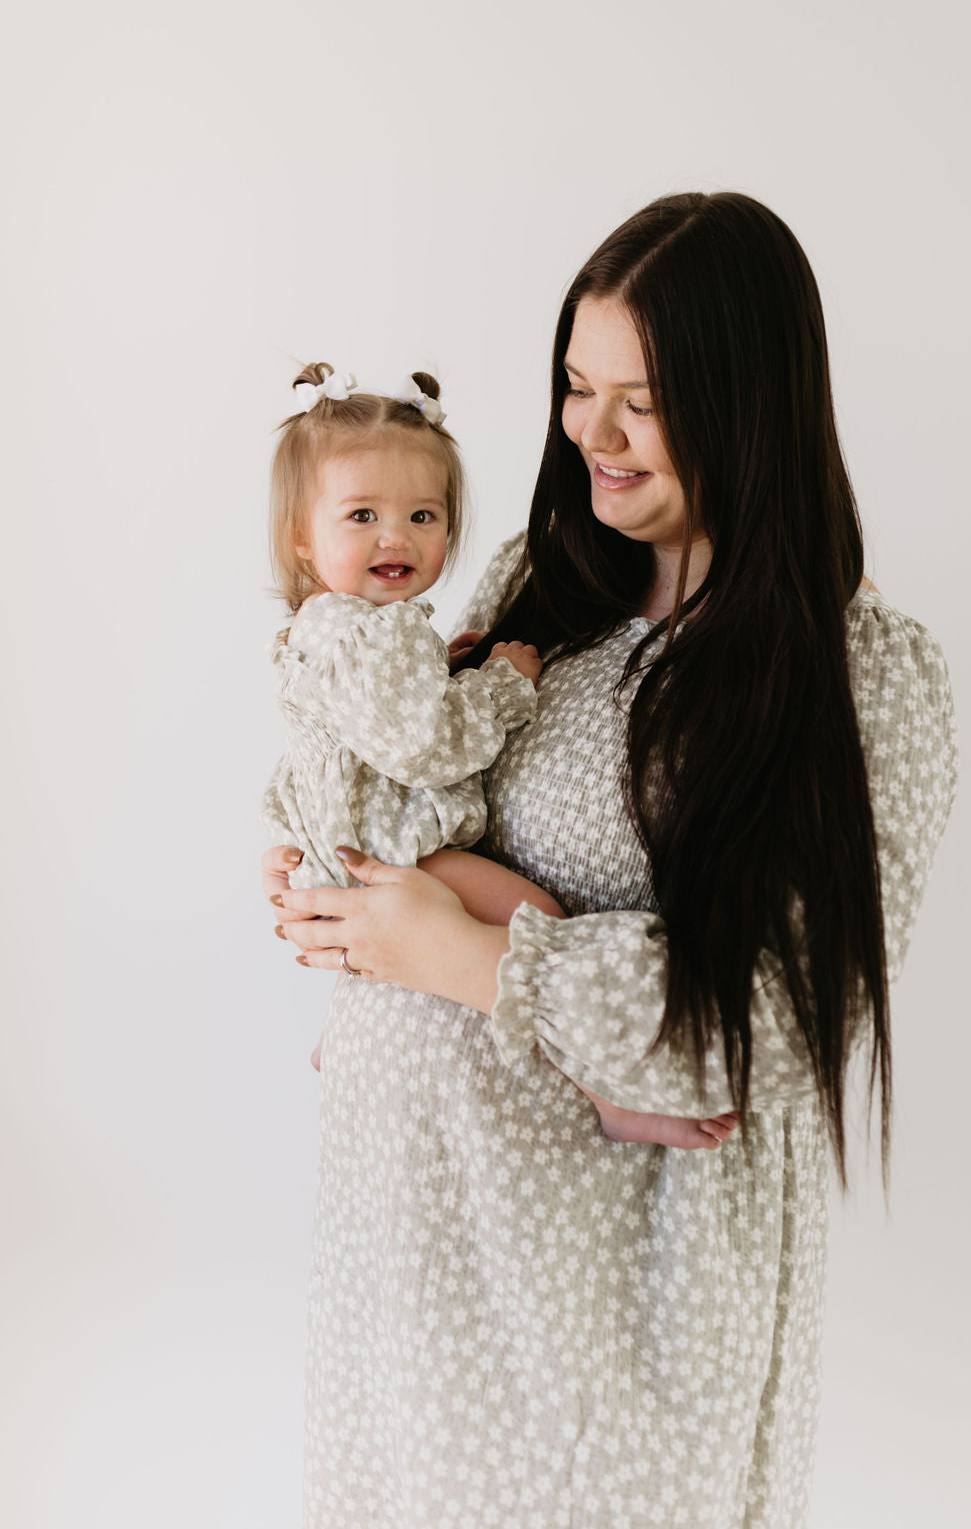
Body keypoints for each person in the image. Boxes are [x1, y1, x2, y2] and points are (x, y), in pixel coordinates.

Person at [263, 193, 959, 1527]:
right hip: (411, 1271)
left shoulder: (860, 675)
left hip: (611, 1328)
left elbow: (757, 1029)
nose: (590, 432)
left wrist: (458, 950)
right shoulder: (540, 580)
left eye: (639, 399)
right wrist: (322, 863)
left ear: (751, 402)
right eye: (576, 387)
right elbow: (419, 788)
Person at [261, 360, 740, 1143]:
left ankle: (338, 1034)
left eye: (424, 515)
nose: (397, 536)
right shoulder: (364, 632)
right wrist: (503, 687)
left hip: (356, 846)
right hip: (398, 854)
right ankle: (608, 1090)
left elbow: (322, 749)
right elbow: (422, 743)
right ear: (302, 540)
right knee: (539, 918)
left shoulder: (332, 632)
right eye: (362, 516)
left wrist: (294, 841)